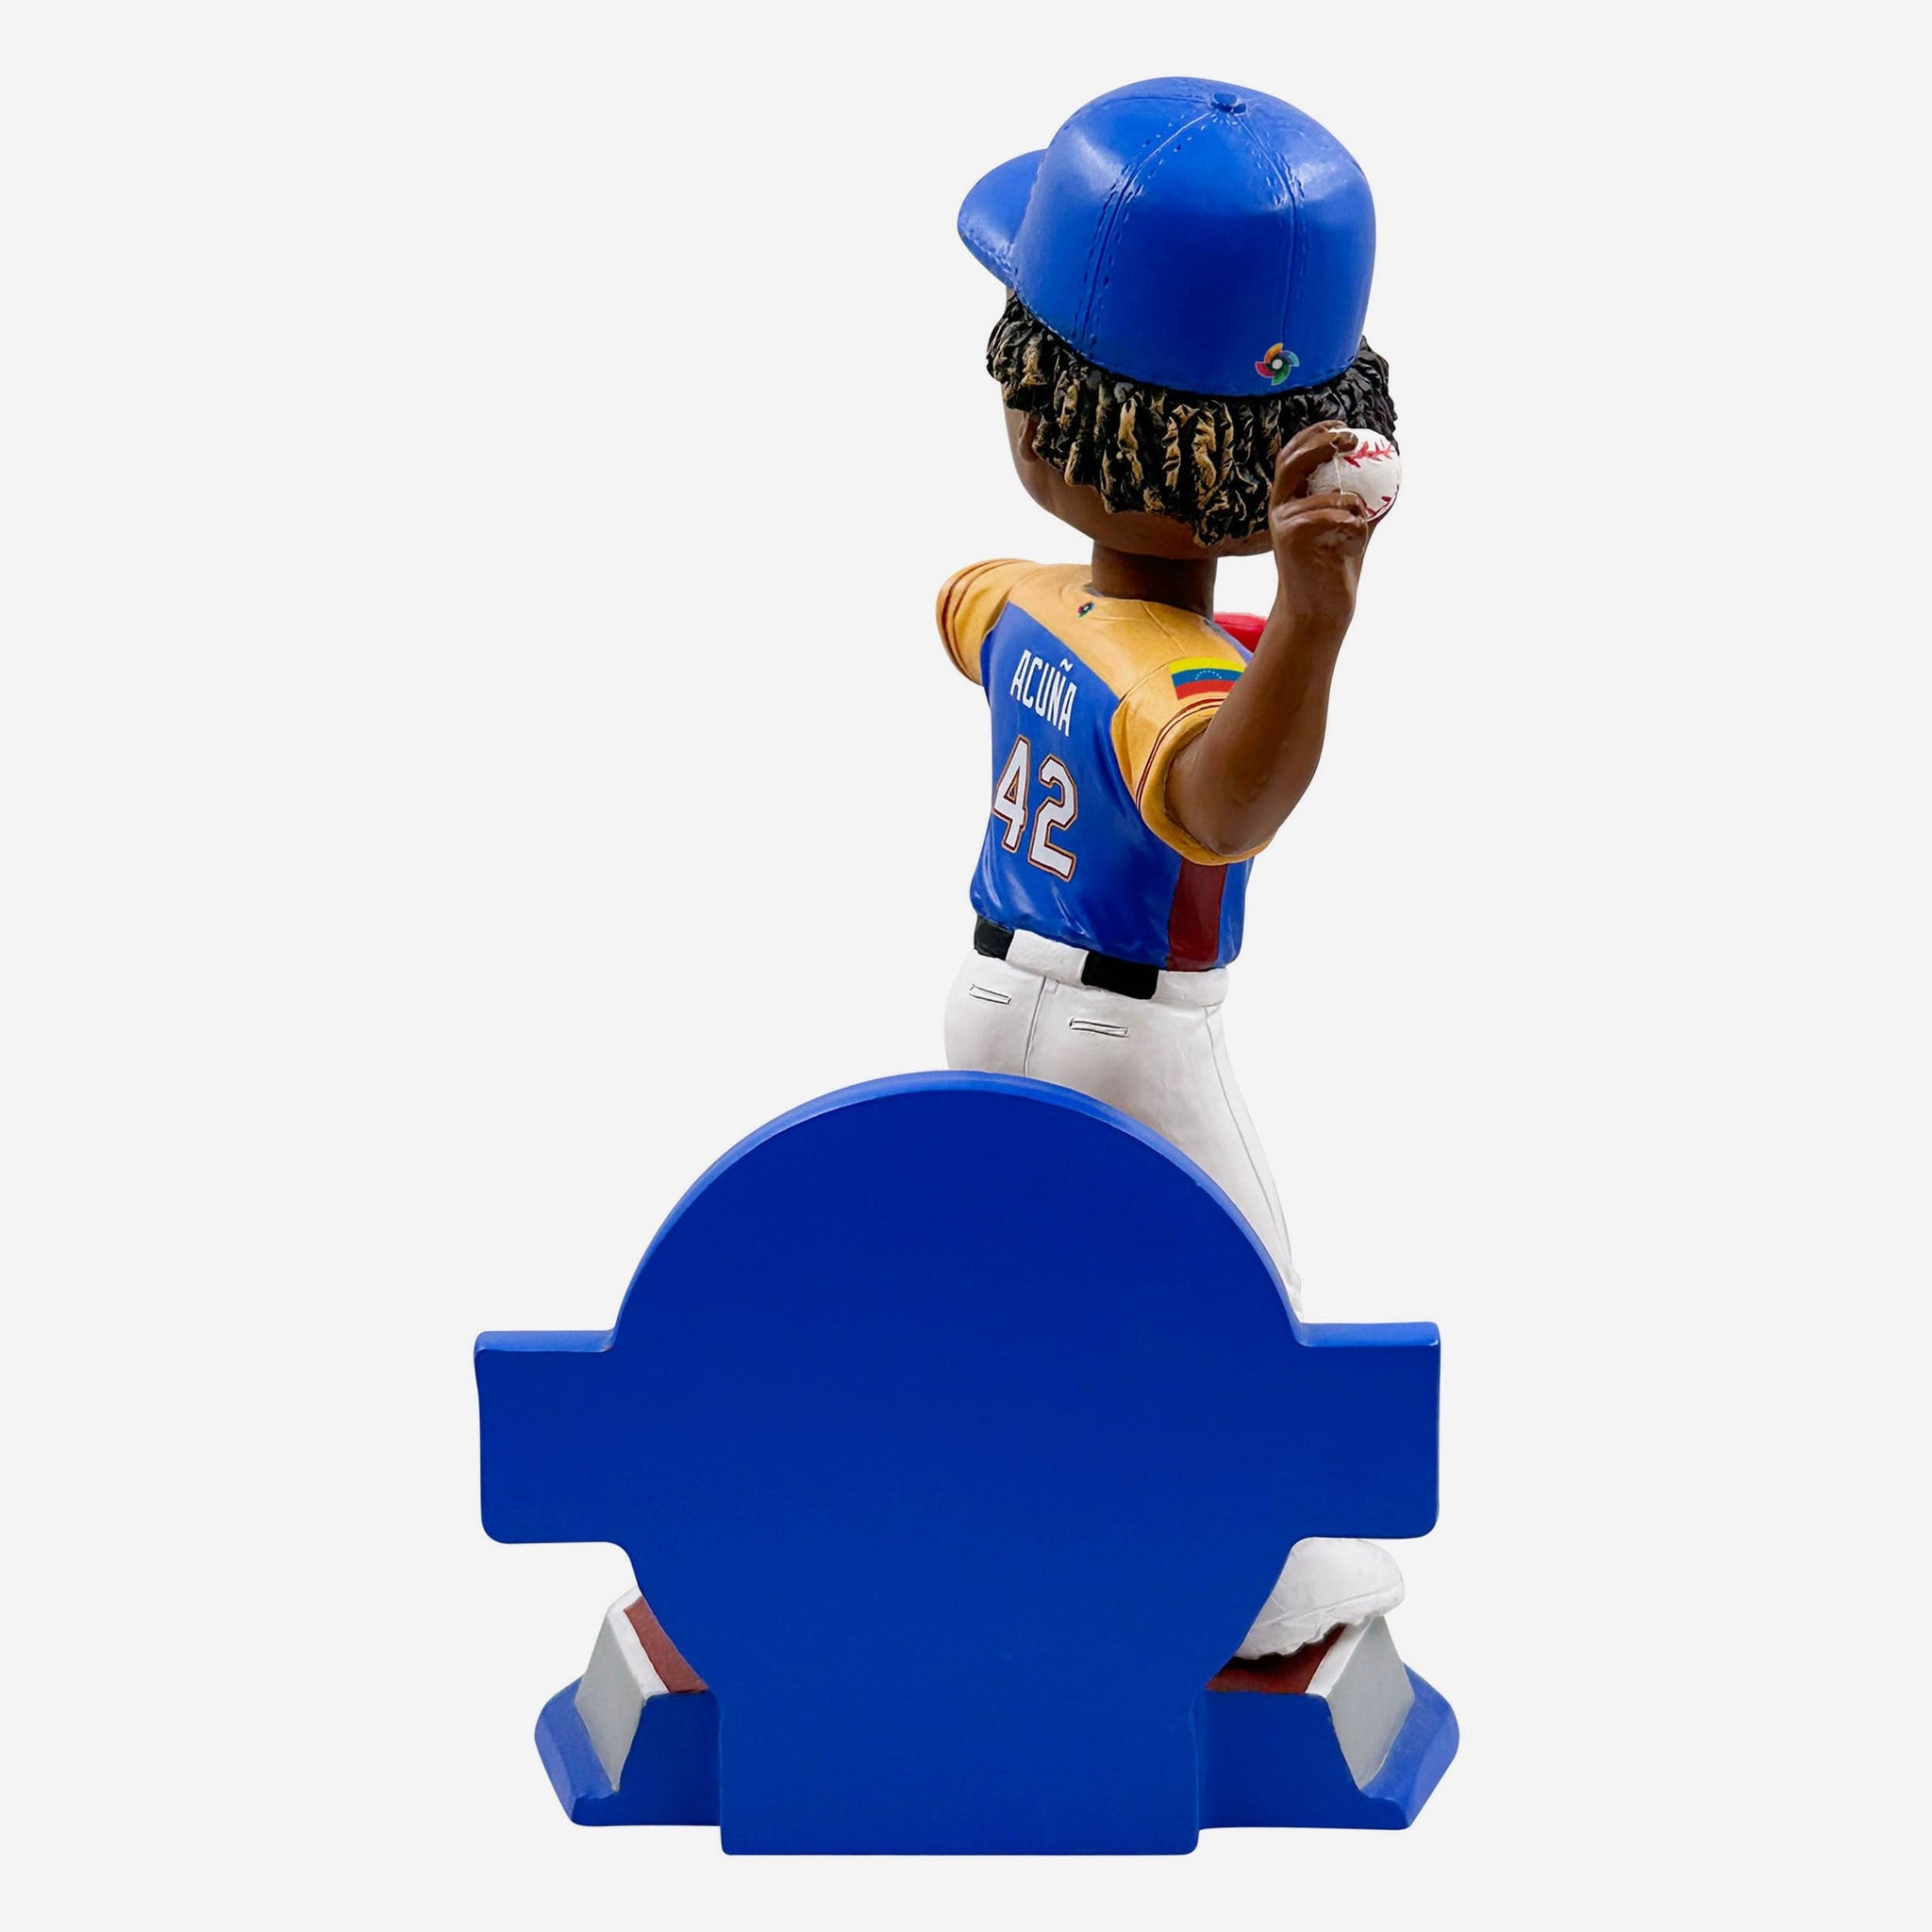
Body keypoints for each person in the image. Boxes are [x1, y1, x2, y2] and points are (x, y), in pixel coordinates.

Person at [938, 77, 1406, 1660]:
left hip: (983, 996)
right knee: (1237, 1307)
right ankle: (1280, 1607)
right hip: (1131, 1034)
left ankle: (1010, 1539)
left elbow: (1040, 640)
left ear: (1046, 407)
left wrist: (1256, 650)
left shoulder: (1009, 594)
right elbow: (1218, 802)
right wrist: (1313, 622)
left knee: (1019, 1292)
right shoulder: (1190, 683)